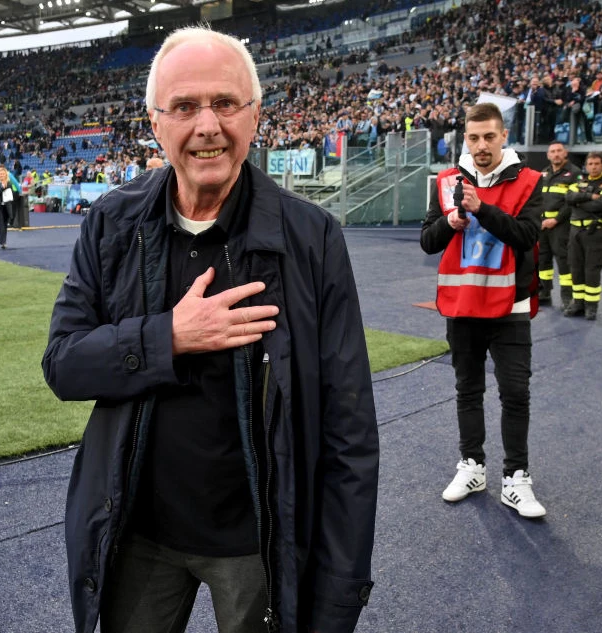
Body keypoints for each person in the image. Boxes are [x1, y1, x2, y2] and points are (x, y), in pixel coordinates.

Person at [42, 27, 378, 633]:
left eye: (225, 104)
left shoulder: (312, 239)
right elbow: (63, 364)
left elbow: (348, 430)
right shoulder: (112, 223)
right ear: (155, 123)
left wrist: (338, 594)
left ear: (254, 117)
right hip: (137, 532)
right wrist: (167, 336)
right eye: (185, 106)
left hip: (258, 544)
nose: (207, 126)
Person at [420, 102, 546, 519]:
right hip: (462, 305)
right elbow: (427, 241)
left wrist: (481, 209)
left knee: (515, 393)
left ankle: (516, 476)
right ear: (465, 139)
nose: (481, 145)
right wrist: (451, 220)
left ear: (503, 136)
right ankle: (472, 466)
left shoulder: (529, 181)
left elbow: (526, 236)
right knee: (467, 390)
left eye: (489, 136)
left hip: (511, 304)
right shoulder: (445, 181)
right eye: (473, 138)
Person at [564, 152, 602, 321]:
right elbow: (568, 198)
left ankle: (591, 306)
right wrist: (588, 197)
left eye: (597, 163)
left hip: (594, 232)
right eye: (590, 164)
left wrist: (579, 203)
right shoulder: (580, 182)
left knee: (592, 269)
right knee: (576, 268)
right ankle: (578, 302)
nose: (593, 167)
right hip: (575, 232)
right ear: (586, 166)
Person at [537, 143, 582, 310]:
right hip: (542, 225)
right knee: (542, 260)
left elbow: (572, 202)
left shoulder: (574, 173)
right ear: (548, 155)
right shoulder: (544, 172)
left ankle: (567, 297)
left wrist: (555, 219)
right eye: (552, 152)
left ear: (565, 153)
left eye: (559, 151)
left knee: (564, 261)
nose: (556, 154)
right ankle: (544, 292)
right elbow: (538, 198)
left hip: (561, 225)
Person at [0, 165, 18, 249]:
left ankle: (3, 240)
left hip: (6, 206)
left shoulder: (9, 183)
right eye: (0, 174)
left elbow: (12, 193)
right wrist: (2, 188)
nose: (2, 175)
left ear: (6, 175)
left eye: (3, 174)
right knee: (1, 224)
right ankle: (3, 242)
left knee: (5, 224)